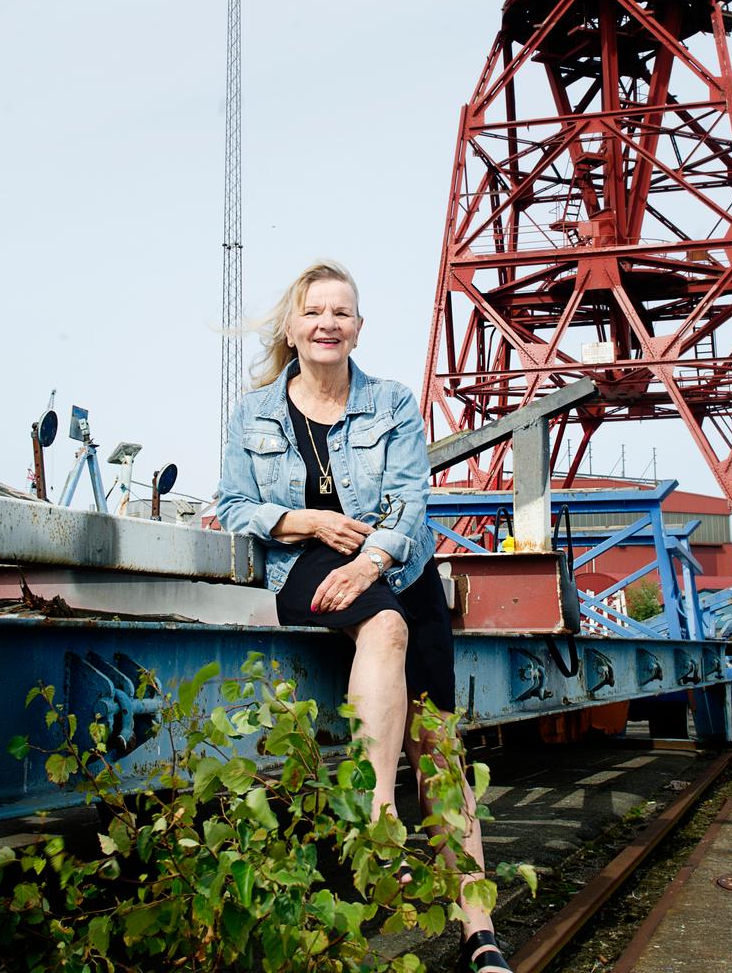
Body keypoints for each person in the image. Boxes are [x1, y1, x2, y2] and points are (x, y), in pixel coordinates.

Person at [215, 261, 511, 973]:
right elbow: (232, 507)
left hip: (398, 567)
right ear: (291, 326)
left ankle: (479, 927)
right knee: (385, 628)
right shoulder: (253, 413)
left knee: (439, 747)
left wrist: (371, 562)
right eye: (314, 312)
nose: (327, 324)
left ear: (358, 327)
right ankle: (378, 812)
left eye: (341, 313)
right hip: (306, 565)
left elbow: (411, 500)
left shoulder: (392, 402)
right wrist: (307, 517)